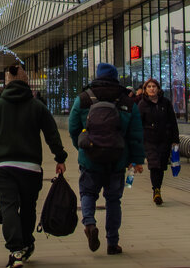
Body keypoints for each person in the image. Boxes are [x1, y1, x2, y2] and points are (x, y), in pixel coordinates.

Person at [0, 64, 67, 268]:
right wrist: (60, 158)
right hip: (31, 168)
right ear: (26, 82)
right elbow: (52, 134)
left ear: (7, 83)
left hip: (4, 167)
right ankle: (27, 242)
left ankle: (16, 249)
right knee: (29, 207)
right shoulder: (37, 106)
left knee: (9, 207)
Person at [68, 63, 145, 256]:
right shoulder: (127, 101)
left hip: (90, 159)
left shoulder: (84, 99)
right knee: (113, 200)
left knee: (87, 194)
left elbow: (73, 127)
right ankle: (113, 242)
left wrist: (83, 147)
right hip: (117, 159)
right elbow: (135, 135)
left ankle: (90, 223)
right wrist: (136, 160)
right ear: (115, 78)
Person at [137, 78, 179, 205]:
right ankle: (156, 190)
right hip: (149, 139)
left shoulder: (165, 103)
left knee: (160, 165)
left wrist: (175, 139)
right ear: (145, 90)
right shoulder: (142, 104)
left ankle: (158, 188)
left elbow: (172, 121)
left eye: (154, 86)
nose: (151, 89)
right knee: (154, 164)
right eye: (149, 86)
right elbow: (138, 123)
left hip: (164, 139)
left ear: (158, 89)